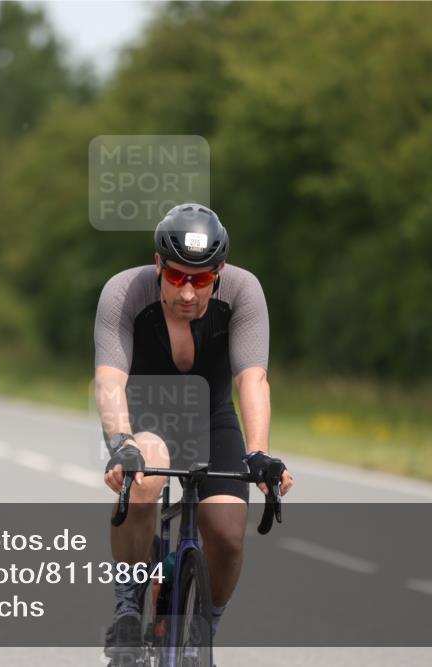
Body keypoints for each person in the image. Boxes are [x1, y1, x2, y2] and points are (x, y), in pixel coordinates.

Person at [94, 203, 294, 662]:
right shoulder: (124, 292)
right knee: (142, 481)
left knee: (226, 532)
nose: (188, 292)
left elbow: (252, 379)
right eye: (178, 276)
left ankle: (206, 626)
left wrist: (259, 454)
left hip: (211, 417)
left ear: (219, 272)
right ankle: (128, 607)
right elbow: (110, 379)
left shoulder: (244, 291)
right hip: (145, 415)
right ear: (159, 264)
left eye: (201, 280)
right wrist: (122, 443)